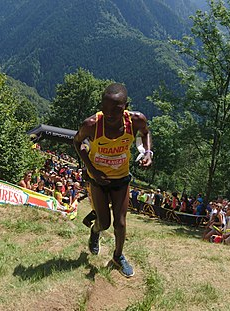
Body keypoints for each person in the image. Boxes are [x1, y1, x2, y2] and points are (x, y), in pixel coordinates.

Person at [73, 83, 152, 278]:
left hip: (121, 178)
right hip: (98, 179)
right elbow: (77, 142)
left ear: (125, 107)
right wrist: (91, 169)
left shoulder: (136, 120)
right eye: (105, 108)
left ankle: (118, 256)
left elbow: (146, 133)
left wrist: (148, 152)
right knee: (105, 223)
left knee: (121, 223)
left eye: (115, 110)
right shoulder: (91, 124)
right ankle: (95, 230)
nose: (109, 114)